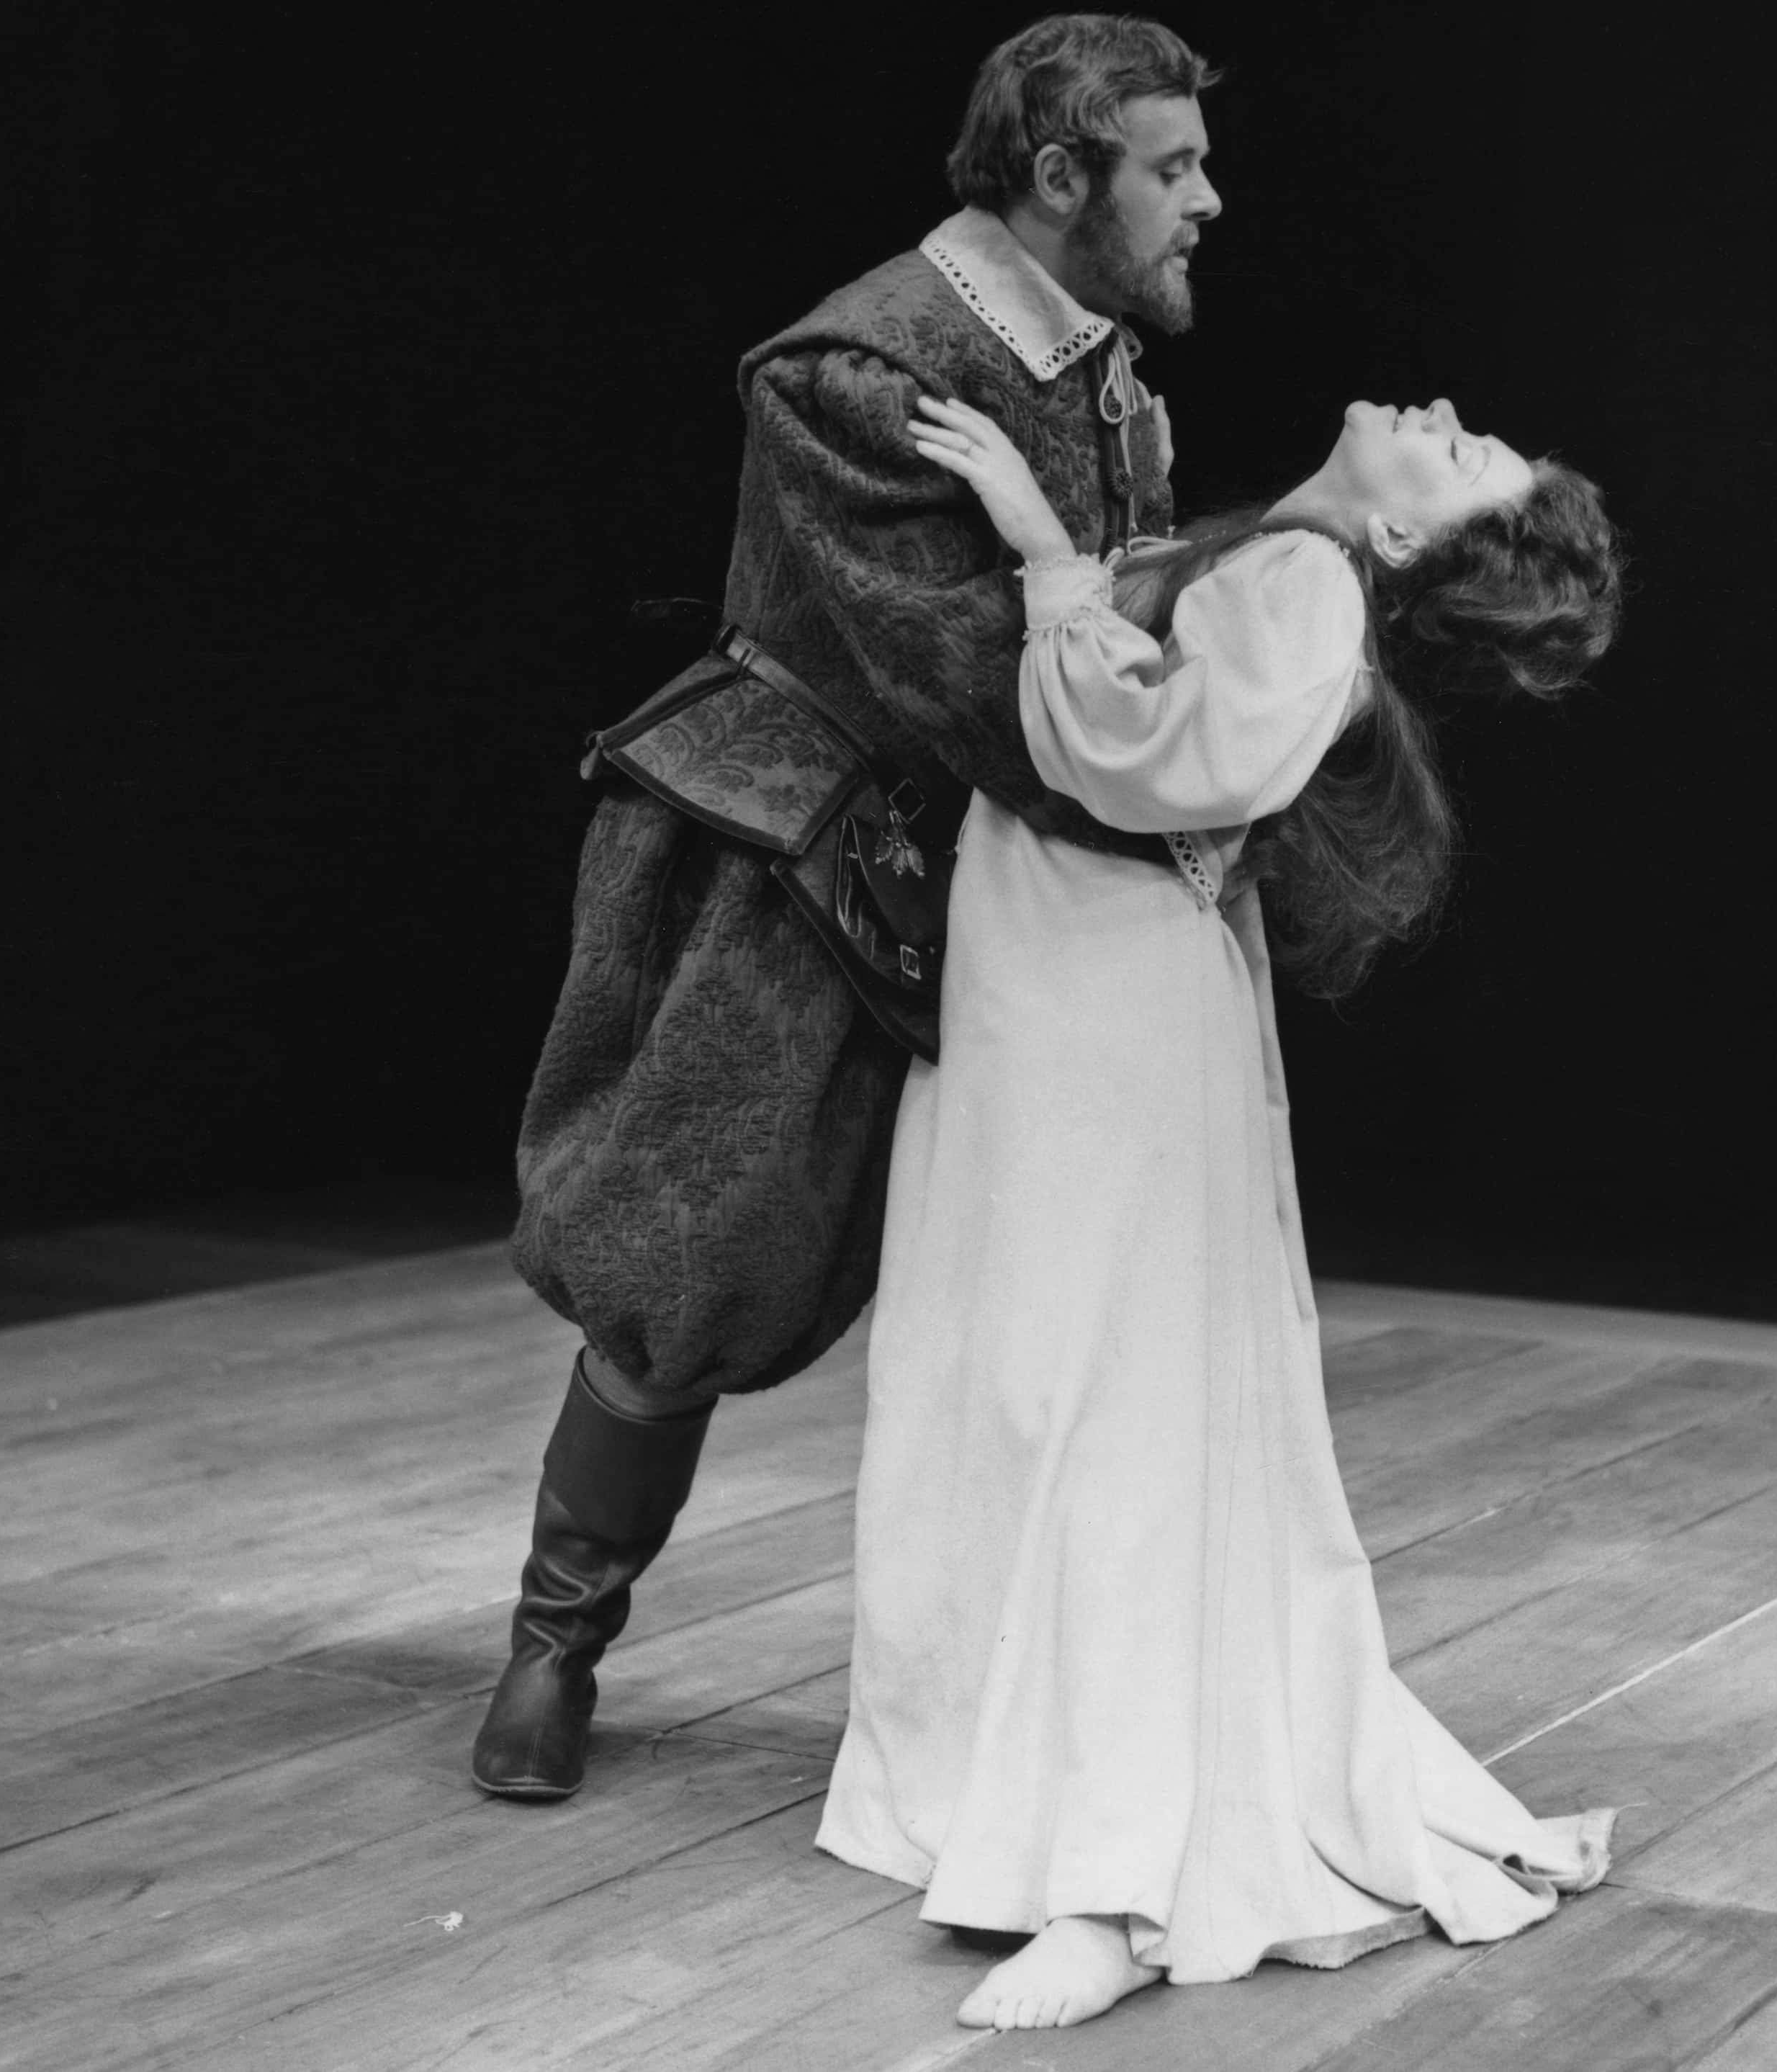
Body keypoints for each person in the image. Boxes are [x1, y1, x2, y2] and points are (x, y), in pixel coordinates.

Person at [472, 16, 1223, 1800]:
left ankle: (1032, 1707)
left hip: (1002, 864)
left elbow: (1094, 630)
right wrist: (1198, 731)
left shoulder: (1098, 358)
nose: (1207, 201)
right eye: (1171, 167)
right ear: (1061, 177)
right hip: (799, 861)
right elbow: (962, 672)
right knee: (687, 1255)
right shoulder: (864, 369)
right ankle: (552, 1640)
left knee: (1039, 1285)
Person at [814, 389, 1627, 2029]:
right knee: (1051, 1392)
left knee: (1104, 1418)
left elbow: (1142, 756)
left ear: (1405, 534)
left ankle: (1117, 1882)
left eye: (1467, 457)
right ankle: (1041, 1808)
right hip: (1067, 979)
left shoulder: (1313, 584)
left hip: (1106, 1001)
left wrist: (1050, 559)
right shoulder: (1284, 556)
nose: (1450, 416)